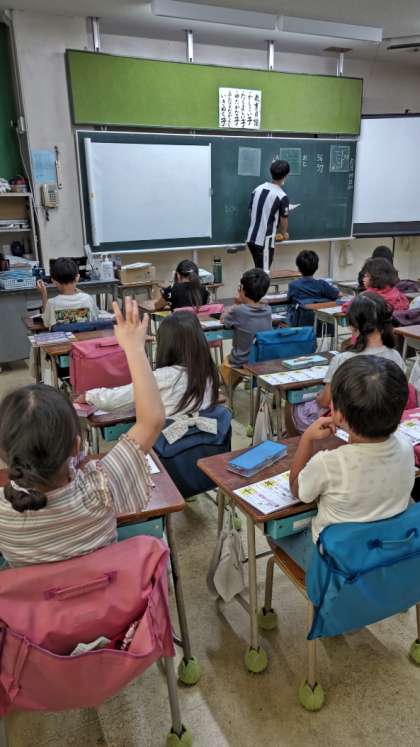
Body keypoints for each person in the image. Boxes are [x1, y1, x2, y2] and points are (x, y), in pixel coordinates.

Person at [0, 298, 165, 568]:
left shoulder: (3, 514)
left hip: (39, 599)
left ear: (6, 454)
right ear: (77, 445)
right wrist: (135, 349)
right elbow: (152, 420)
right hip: (105, 594)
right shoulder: (100, 488)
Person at [276, 355, 415, 572]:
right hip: (387, 553)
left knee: (276, 534)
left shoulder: (329, 464)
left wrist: (307, 438)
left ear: (339, 415)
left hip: (335, 565)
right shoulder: (406, 448)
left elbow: (297, 490)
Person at [292, 293, 405, 432]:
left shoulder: (343, 359)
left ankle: (298, 441)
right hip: (383, 421)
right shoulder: (395, 355)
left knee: (293, 406)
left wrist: (318, 397)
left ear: (352, 326)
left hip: (350, 423)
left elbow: (325, 401)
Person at [82, 311, 219, 416]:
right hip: (203, 441)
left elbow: (114, 401)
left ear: (165, 345)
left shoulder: (162, 377)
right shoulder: (209, 372)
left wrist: (89, 396)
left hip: (167, 443)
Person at [220, 268, 271, 389]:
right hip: (263, 357)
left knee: (224, 365)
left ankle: (227, 390)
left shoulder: (238, 310)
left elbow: (223, 319)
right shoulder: (267, 309)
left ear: (242, 290)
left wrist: (236, 304)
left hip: (241, 360)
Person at [247, 160, 290, 271]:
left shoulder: (257, 189)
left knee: (259, 272)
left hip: (251, 238)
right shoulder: (282, 196)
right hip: (264, 242)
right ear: (286, 176)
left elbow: (250, 212)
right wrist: (283, 234)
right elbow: (284, 220)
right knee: (263, 275)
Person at [37, 257, 99, 328]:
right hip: (85, 335)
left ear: (53, 281)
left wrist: (43, 295)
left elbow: (46, 323)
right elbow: (96, 316)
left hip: (63, 335)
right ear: (77, 277)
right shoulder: (87, 299)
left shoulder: (52, 303)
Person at [287, 250, 340, 326]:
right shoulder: (322, 284)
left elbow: (289, 299)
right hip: (321, 325)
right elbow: (337, 294)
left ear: (298, 268)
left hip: (300, 325)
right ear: (316, 267)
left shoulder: (293, 285)